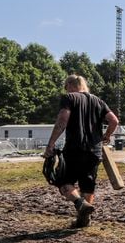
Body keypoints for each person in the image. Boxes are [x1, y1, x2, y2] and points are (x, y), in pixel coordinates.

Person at [43, 75, 119, 228]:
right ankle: (83, 219)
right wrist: (107, 135)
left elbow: (63, 119)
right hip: (94, 151)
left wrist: (51, 143)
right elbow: (114, 120)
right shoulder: (98, 101)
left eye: (66, 86)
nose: (66, 89)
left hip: (74, 149)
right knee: (88, 185)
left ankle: (79, 203)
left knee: (63, 181)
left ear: (70, 85)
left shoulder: (69, 98)